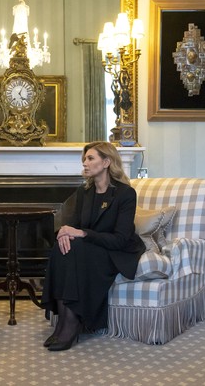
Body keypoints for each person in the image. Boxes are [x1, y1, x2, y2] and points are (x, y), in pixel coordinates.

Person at [41, 141, 146, 351]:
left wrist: (80, 233)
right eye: (84, 159)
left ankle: (71, 323)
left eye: (90, 159)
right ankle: (63, 322)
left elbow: (120, 239)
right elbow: (73, 225)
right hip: (91, 247)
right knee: (62, 247)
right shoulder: (85, 192)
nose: (85, 164)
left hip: (117, 251)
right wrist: (63, 232)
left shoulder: (125, 194)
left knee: (76, 247)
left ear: (106, 162)